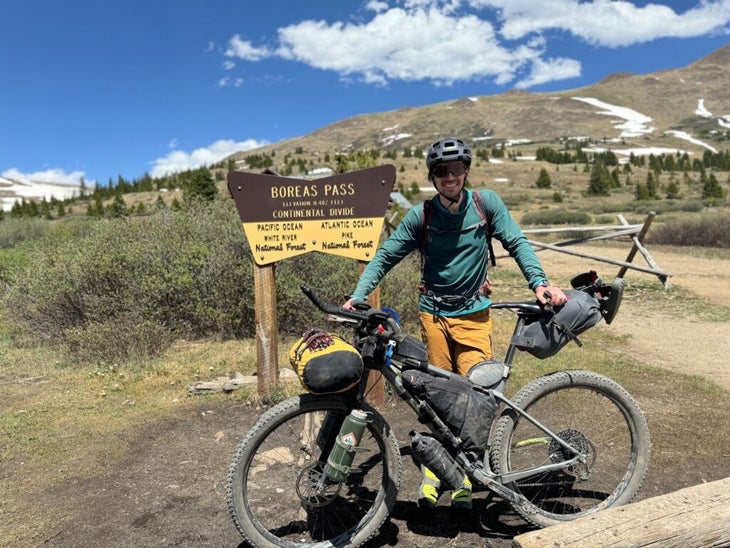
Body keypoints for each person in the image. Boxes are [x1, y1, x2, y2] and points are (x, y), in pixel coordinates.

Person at [344, 136, 567, 511]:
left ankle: (465, 478)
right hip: (433, 316)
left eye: (457, 169)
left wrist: (539, 282)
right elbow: (385, 256)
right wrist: (359, 295)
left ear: (467, 171)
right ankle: (435, 475)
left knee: (476, 399)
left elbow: (517, 241)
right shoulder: (423, 215)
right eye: (442, 171)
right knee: (435, 401)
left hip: (474, 315)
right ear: (433, 177)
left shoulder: (485, 205)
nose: (451, 177)